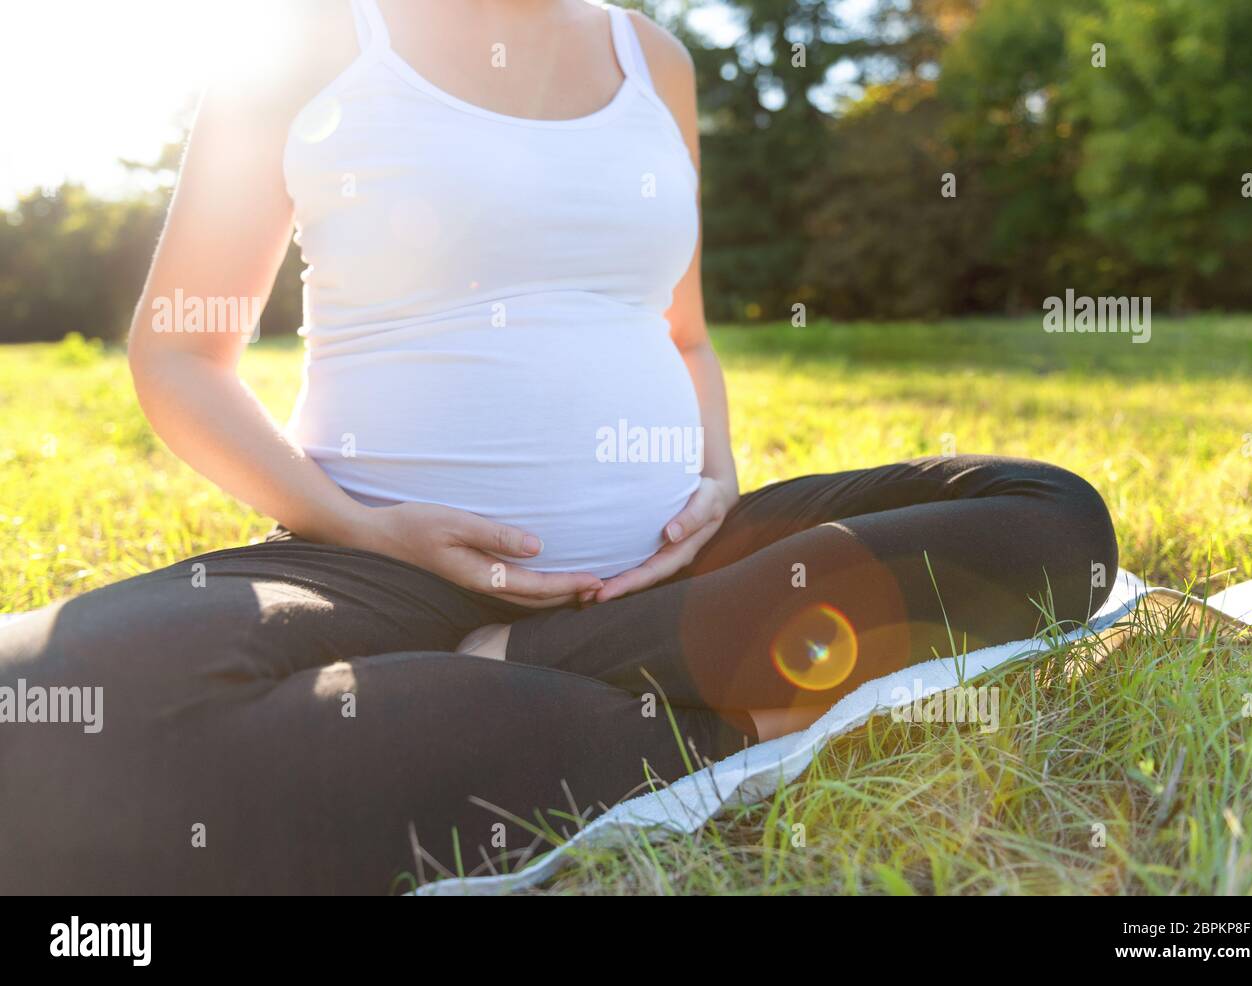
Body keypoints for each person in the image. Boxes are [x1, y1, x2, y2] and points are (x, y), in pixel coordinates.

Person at [0, 0, 1117, 893]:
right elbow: (181, 357)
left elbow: (682, 334)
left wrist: (716, 476)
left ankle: (518, 680)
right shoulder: (310, 35)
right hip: (370, 560)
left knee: (1048, 515)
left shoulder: (656, 59)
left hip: (672, 565)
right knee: (35, 706)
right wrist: (359, 522)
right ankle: (697, 719)